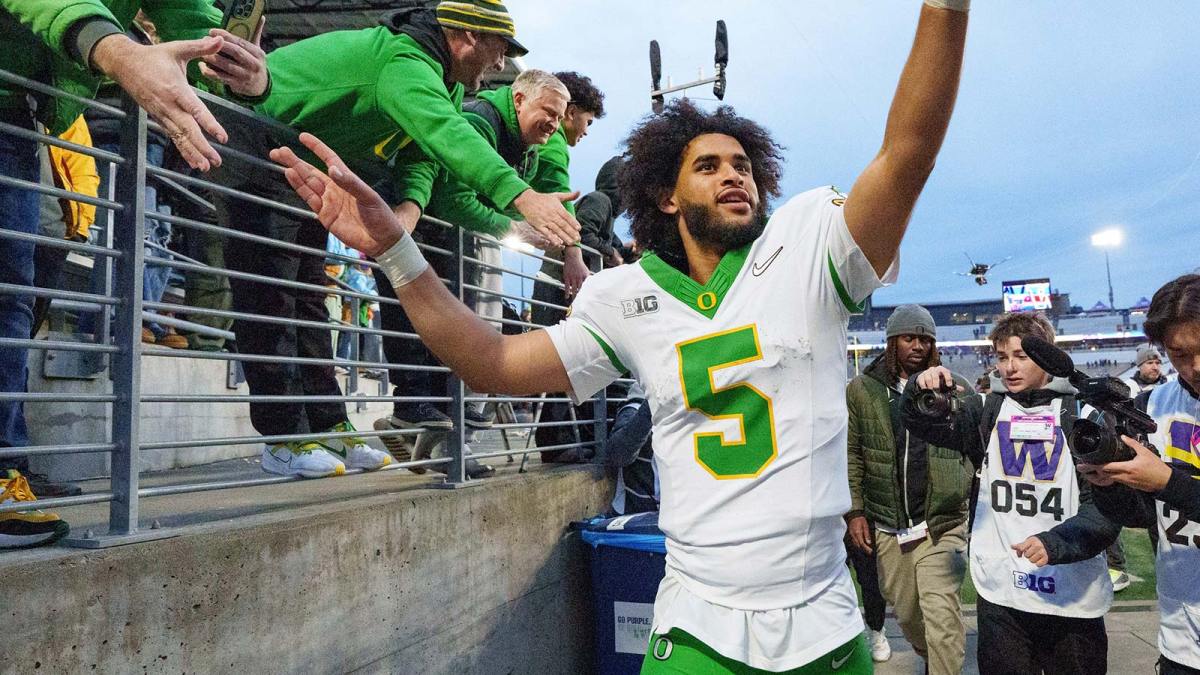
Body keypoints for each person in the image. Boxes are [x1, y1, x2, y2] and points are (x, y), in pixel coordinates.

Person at [271, 1, 968, 668]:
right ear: (666, 196)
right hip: (699, 626)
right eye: (709, 165)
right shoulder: (624, 296)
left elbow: (908, 153)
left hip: (823, 624)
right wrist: (398, 252)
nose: (734, 175)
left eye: (743, 165)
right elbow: (489, 359)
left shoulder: (811, 246)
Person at [0, 0, 268, 548]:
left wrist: (247, 75)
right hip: (22, 101)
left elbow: (192, 23)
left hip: (24, 111)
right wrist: (116, 48)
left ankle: (7, 470)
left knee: (12, 299)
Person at [903, 312, 1120, 675]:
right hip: (1002, 591)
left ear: (1049, 358)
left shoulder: (1083, 413)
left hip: (1071, 593)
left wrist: (1057, 543)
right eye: (1002, 357)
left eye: (1021, 356)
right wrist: (918, 388)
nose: (1009, 367)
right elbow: (920, 421)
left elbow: (1107, 507)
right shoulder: (986, 411)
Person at [371, 69, 570, 450]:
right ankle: (418, 423)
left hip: (438, 237)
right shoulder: (479, 122)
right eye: (549, 112)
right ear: (518, 99)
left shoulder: (521, 143)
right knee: (430, 328)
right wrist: (513, 226)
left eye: (560, 117)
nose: (554, 124)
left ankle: (426, 437)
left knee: (446, 336)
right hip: (420, 230)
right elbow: (454, 200)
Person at [1080, 274, 1200, 675]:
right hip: (1182, 632)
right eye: (1179, 353)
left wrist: (1167, 481)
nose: (1195, 366)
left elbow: (1167, 486)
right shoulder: (1153, 405)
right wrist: (1109, 483)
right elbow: (1141, 516)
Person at [845, 304, 971, 673]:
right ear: (891, 342)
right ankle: (934, 663)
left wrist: (960, 484)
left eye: (925, 339)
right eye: (908, 337)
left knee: (942, 617)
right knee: (910, 617)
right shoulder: (863, 390)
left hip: (941, 523)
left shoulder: (955, 388)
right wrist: (855, 512)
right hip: (888, 525)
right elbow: (851, 453)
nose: (917, 345)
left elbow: (971, 446)